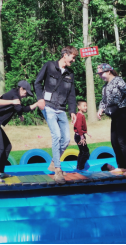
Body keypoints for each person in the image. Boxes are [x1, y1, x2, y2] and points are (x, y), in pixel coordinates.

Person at [34, 46, 79, 184]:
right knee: (57, 135)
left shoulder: (70, 73)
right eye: (73, 56)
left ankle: (54, 162)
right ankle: (58, 170)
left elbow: (72, 95)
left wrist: (72, 111)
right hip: (48, 106)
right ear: (65, 55)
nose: (74, 60)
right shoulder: (49, 66)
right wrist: (40, 99)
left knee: (66, 139)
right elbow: (37, 83)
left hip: (61, 109)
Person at [0, 80, 40, 183]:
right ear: (21, 88)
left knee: (7, 146)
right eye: (26, 93)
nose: (26, 96)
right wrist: (35, 104)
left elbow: (18, 108)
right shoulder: (14, 95)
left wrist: (19, 114)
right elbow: (20, 109)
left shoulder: (15, 95)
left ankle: (1, 172)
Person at [96, 63, 126, 175]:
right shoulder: (105, 87)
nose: (100, 76)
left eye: (102, 73)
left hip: (123, 112)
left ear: (109, 71)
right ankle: (122, 166)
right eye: (99, 74)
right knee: (114, 141)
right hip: (115, 115)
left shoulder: (118, 80)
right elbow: (104, 101)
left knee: (122, 141)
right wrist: (100, 109)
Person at [74, 100, 92, 171]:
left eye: (86, 106)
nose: (86, 107)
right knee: (85, 152)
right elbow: (78, 127)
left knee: (82, 152)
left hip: (80, 135)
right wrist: (82, 137)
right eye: (84, 106)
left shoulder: (80, 115)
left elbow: (82, 127)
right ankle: (80, 167)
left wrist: (86, 132)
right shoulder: (79, 116)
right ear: (79, 107)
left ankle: (79, 167)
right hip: (79, 136)